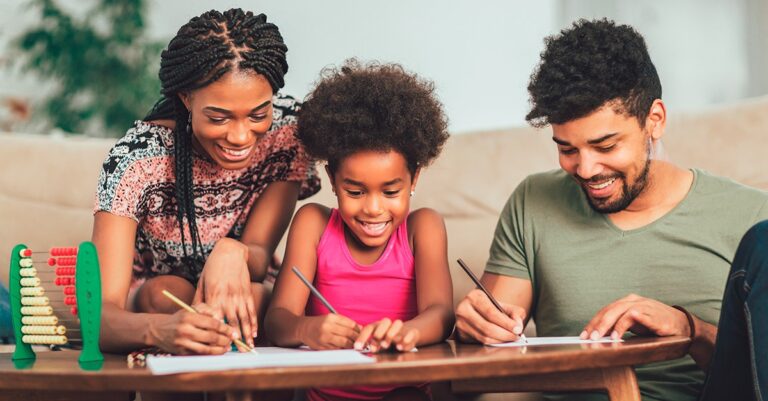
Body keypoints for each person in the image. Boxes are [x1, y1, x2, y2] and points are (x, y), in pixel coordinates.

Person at [454, 18, 768, 401]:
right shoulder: (533, 202)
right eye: (567, 149)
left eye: (606, 146)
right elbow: (490, 342)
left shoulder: (752, 217)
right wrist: (473, 327)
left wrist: (692, 331)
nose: (586, 169)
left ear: (654, 121)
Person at [92, 8, 319, 355]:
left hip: (246, 285)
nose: (241, 137)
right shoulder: (136, 160)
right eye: (219, 118)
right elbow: (99, 316)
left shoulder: (287, 134)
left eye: (258, 114)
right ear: (186, 99)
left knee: (259, 302)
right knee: (167, 294)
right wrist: (161, 330)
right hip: (159, 300)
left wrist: (233, 250)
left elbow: (259, 253)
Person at [265, 60, 454, 401]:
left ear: (414, 179)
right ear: (332, 179)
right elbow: (277, 320)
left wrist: (407, 332)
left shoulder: (422, 227)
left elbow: (441, 314)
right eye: (355, 192)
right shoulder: (313, 224)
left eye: (391, 191)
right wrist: (306, 328)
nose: (373, 208)